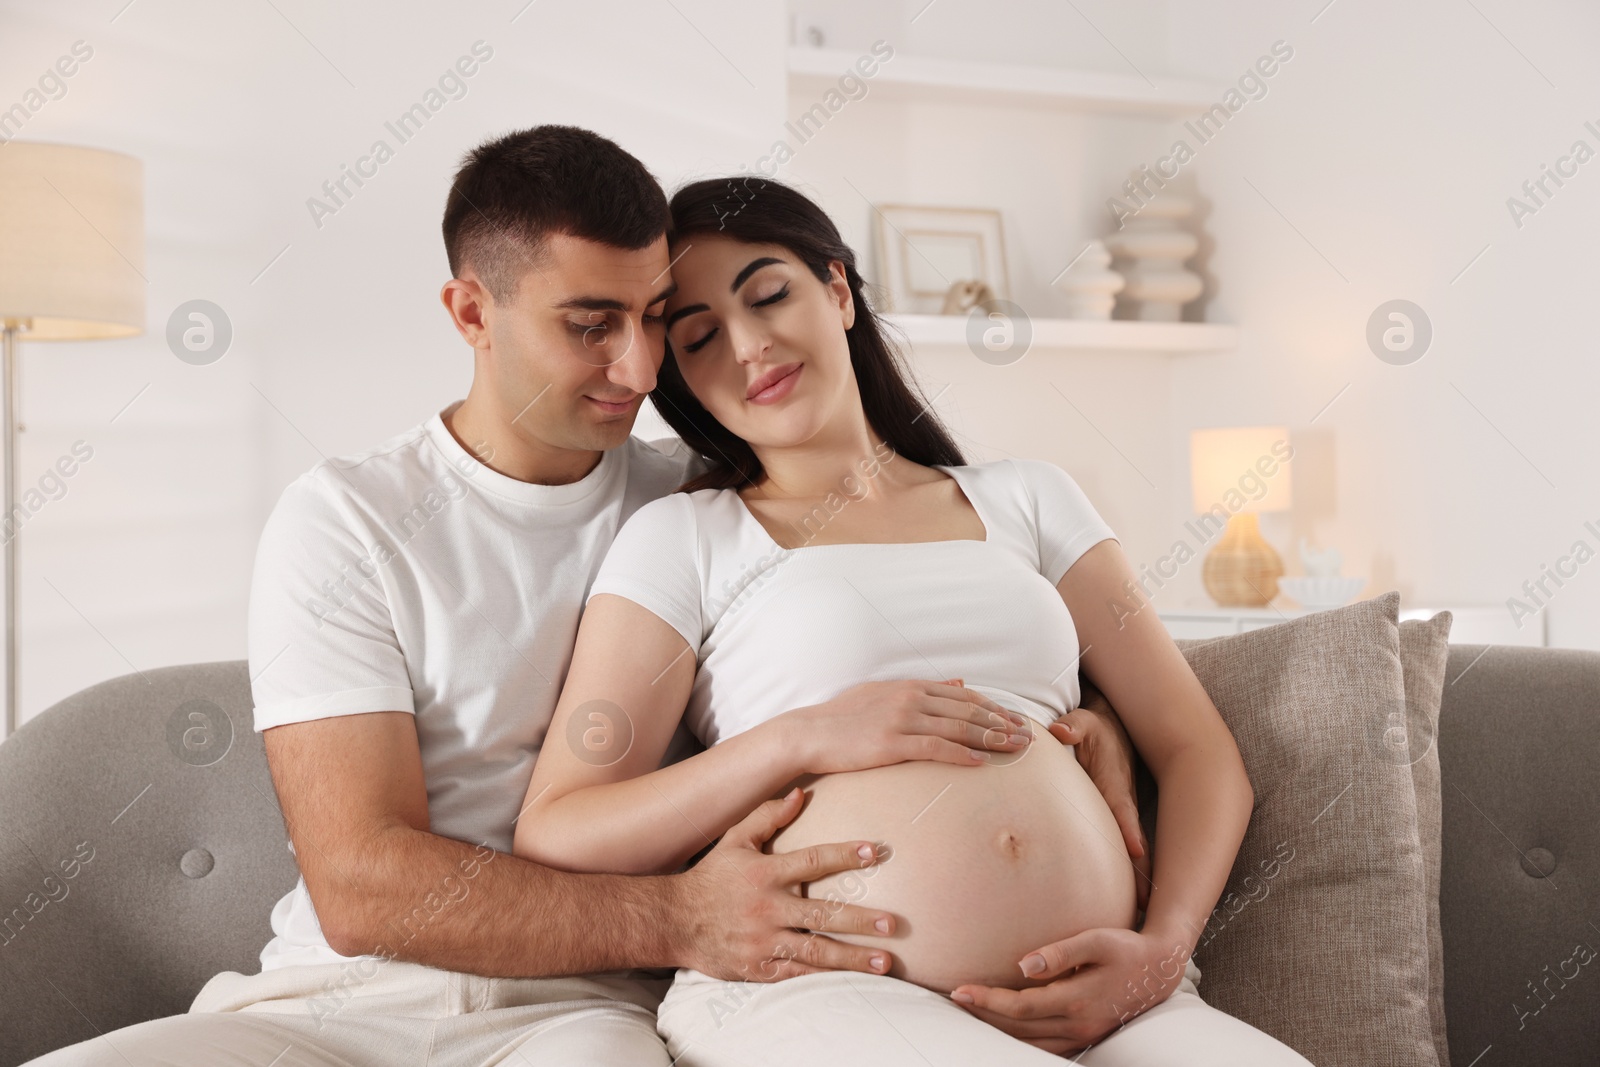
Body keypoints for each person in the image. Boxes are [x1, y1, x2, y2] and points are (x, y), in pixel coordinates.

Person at [23, 127, 1148, 1067]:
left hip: (584, 1010)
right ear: (470, 312)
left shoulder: (707, 508)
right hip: (334, 997)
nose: (640, 368)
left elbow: (890, 618)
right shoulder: (350, 519)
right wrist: (682, 916)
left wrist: (1084, 738)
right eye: (589, 325)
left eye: (654, 316)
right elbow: (363, 881)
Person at [511, 176, 1317, 1065]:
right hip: (824, 991)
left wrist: (1161, 955)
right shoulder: (685, 537)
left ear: (839, 289)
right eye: (699, 336)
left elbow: (1197, 749)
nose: (748, 345)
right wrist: (803, 736)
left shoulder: (1030, 499)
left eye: (769, 294)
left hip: (1116, 1002)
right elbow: (559, 826)